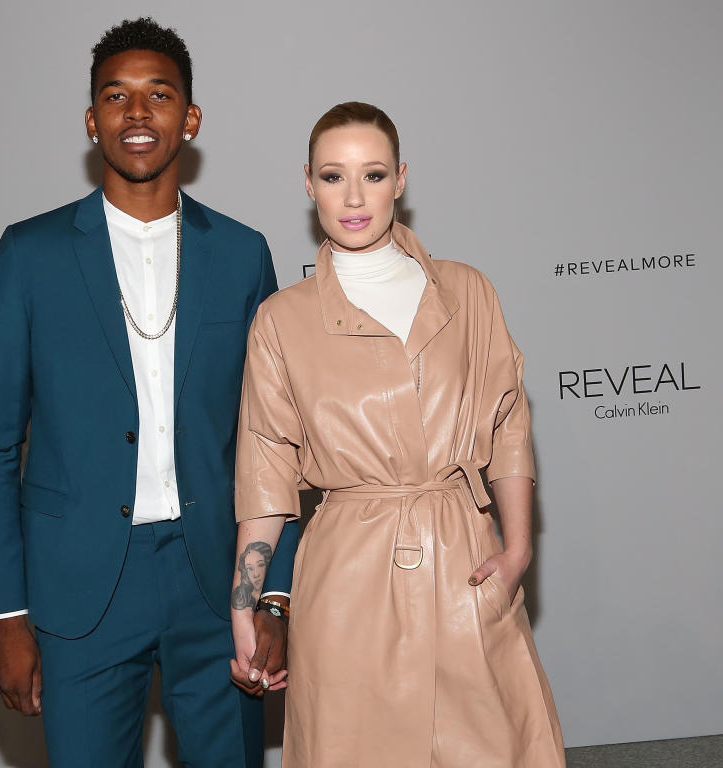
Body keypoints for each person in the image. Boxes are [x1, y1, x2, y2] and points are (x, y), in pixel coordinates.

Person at [0, 17, 297, 767]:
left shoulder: (242, 255)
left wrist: (272, 596)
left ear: (191, 118)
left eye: (159, 94)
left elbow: (273, 441)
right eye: (116, 96)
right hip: (78, 591)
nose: (138, 113)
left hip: (216, 583)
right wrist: (6, 615)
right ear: (92, 121)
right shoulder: (30, 255)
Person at [231, 102, 566, 767]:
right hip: (346, 577)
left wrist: (519, 548)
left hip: (463, 559)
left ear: (401, 179)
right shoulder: (281, 320)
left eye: (373, 174)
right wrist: (244, 605)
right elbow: (266, 471)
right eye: (333, 176)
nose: (353, 197)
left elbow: (507, 424)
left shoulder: (468, 292)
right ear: (307, 184)